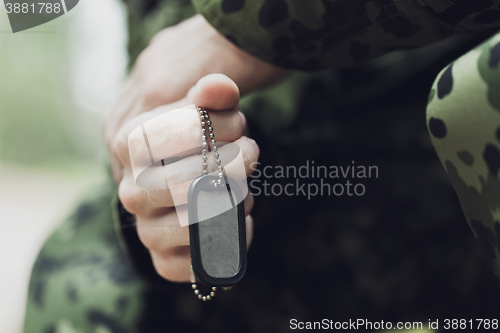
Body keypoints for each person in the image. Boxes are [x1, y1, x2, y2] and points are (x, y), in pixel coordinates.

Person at [24, 1, 500, 332]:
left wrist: (244, 28)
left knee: (473, 101)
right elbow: (170, 56)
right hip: (357, 138)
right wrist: (173, 154)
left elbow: (206, 44)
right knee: (86, 275)